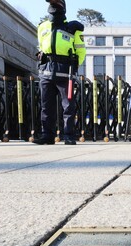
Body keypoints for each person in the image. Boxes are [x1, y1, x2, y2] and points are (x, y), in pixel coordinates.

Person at [33, 0, 86, 145]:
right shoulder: (42, 27)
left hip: (65, 72)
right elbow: (41, 46)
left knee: (68, 106)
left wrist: (74, 68)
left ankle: (69, 135)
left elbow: (81, 50)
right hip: (46, 71)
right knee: (46, 106)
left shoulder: (73, 28)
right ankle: (47, 136)